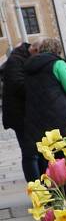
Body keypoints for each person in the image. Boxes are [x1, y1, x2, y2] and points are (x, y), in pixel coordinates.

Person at [23, 38, 66, 177]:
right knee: (65, 154)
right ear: (57, 50)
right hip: (58, 116)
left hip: (36, 118)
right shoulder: (57, 64)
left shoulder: (28, 66)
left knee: (47, 157)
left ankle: (54, 191)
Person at [1, 42, 39, 182]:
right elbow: (18, 85)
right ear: (34, 50)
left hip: (25, 114)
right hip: (20, 116)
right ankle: (36, 189)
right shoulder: (16, 60)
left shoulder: (22, 57)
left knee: (35, 152)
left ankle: (41, 187)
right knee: (30, 153)